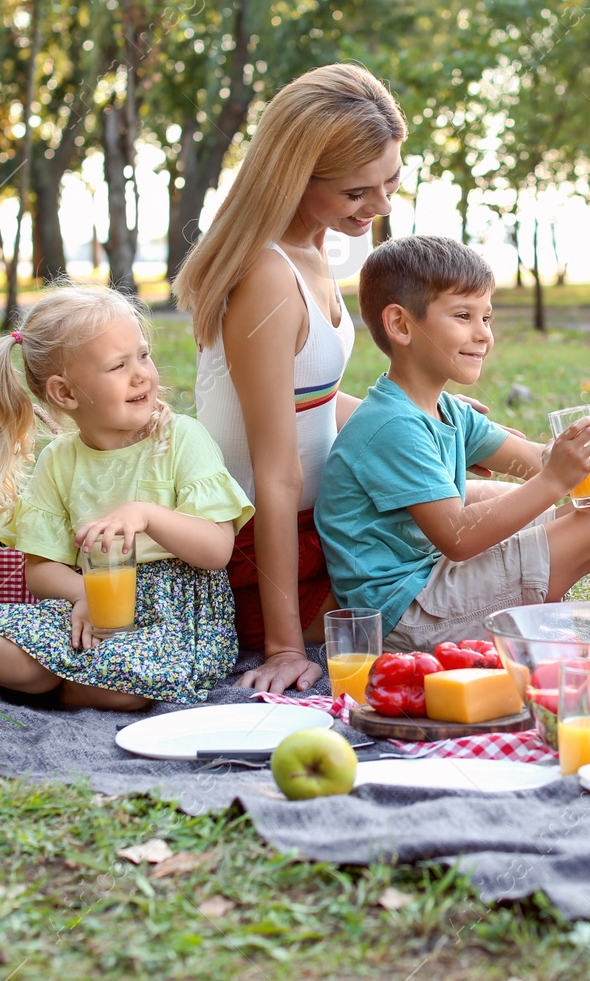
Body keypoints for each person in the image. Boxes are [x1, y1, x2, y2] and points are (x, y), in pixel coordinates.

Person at [176, 63, 512, 693]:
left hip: (324, 517)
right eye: (358, 193)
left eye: (389, 183)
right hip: (269, 552)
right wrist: (281, 648)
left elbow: (313, 401)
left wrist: (415, 422)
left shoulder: (313, 251)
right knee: (515, 520)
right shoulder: (268, 278)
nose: (381, 206)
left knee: (521, 504)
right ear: (294, 178)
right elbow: (274, 475)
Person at [315, 235, 590, 651]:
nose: (483, 333)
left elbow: (537, 459)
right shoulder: (392, 425)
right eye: (463, 316)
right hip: (407, 617)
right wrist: (554, 480)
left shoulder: (445, 411)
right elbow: (457, 538)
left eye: (486, 317)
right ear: (400, 324)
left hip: (434, 587)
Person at [0, 287, 254, 710]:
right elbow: (41, 570)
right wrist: (83, 593)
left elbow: (217, 550)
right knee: (25, 660)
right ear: (65, 393)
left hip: (175, 620)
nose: (141, 374)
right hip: (88, 602)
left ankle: (52, 681)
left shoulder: (181, 439)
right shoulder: (60, 460)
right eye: (118, 366)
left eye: (143, 355)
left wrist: (147, 515)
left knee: (124, 688)